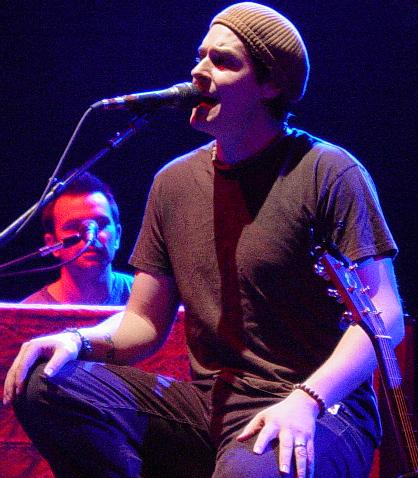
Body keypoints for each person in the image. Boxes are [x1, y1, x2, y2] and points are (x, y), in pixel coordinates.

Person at [3, 3, 404, 477]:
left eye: (223, 61)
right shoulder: (173, 183)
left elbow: (386, 315)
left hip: (321, 408)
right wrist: (75, 339)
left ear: (270, 85)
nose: (199, 70)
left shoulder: (328, 171)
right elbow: (142, 322)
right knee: (45, 382)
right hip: (213, 406)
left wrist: (306, 399)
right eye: (200, 56)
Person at [22, 171, 133, 305]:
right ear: (52, 244)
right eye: (74, 226)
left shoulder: (147, 298)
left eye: (100, 224)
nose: (90, 236)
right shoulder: (26, 313)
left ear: (118, 236)